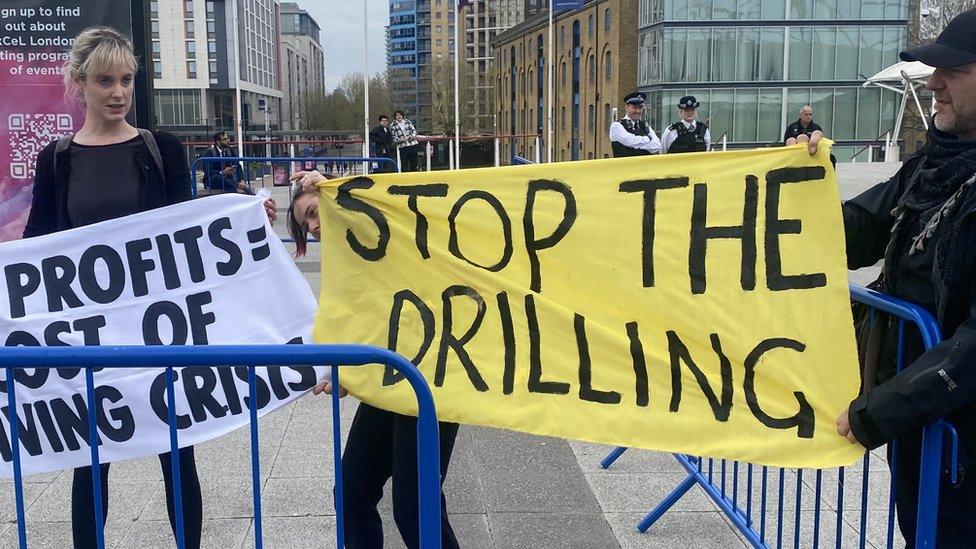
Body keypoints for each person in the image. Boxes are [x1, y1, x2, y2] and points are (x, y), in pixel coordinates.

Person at [798, 9, 976, 546]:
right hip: (923, 424)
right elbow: (857, 230)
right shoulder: (933, 165)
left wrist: (882, 411)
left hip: (958, 435)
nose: (934, 83)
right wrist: (802, 183)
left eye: (954, 71)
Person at [21, 27, 203, 548]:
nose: (119, 92)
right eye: (105, 81)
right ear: (80, 82)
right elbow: (38, 243)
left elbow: (188, 226)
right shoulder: (57, 160)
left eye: (126, 80)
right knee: (90, 463)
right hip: (89, 337)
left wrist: (241, 213)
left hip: (159, 330)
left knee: (178, 455)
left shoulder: (160, 148)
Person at [285, 169, 461, 549]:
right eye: (306, 222)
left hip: (430, 379)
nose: (314, 226)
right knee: (352, 493)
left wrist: (339, 185)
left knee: (415, 507)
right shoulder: (345, 263)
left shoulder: (381, 231)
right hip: (390, 381)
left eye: (316, 211)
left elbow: (398, 198)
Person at [609, 92, 661, 157]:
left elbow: (657, 145)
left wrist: (635, 145)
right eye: (635, 108)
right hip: (624, 166)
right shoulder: (616, 126)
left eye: (640, 107)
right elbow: (630, 141)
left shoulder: (645, 127)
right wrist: (648, 139)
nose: (638, 111)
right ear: (626, 107)